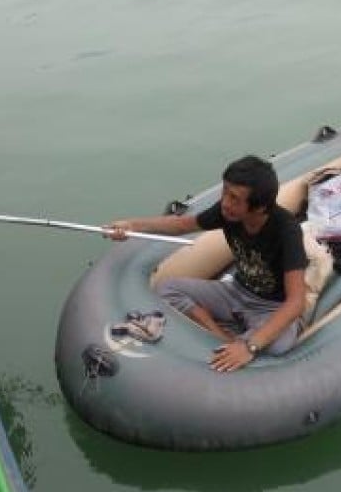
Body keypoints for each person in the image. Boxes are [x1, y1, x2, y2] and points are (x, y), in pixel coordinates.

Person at [107, 155, 307, 372]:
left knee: (278, 345)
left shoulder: (286, 231)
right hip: (235, 291)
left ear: (259, 208)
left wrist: (249, 346)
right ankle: (218, 335)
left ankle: (241, 339)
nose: (225, 203)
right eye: (225, 192)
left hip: (269, 307)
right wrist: (132, 225)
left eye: (235, 199)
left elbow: (296, 302)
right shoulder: (227, 212)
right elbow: (182, 225)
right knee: (167, 288)